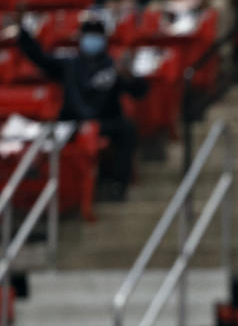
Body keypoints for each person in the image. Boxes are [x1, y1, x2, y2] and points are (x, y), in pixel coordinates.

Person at [16, 15, 148, 199]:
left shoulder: (113, 67)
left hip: (105, 122)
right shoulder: (68, 64)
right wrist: (23, 33)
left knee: (128, 129)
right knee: (45, 133)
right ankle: (43, 186)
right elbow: (40, 59)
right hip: (72, 123)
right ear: (80, 38)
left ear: (104, 39)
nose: (91, 40)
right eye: (88, 35)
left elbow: (139, 91)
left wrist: (129, 76)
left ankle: (117, 185)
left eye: (96, 35)